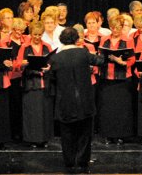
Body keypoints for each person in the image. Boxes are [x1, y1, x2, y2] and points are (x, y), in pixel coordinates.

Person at [49, 27, 104, 174]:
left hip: (65, 101)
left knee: (67, 134)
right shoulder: (83, 53)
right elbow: (100, 61)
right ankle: (82, 163)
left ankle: (69, 162)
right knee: (84, 134)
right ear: (76, 39)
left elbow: (51, 78)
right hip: (84, 101)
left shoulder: (55, 58)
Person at [98, 14, 136, 145]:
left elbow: (132, 59)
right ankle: (109, 135)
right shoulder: (104, 39)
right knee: (108, 108)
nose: (116, 30)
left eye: (119, 27)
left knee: (122, 108)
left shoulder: (128, 40)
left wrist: (121, 62)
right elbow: (101, 56)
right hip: (107, 78)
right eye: (113, 27)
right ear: (110, 27)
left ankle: (121, 135)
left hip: (122, 79)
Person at [16, 21, 55, 148]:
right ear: (30, 34)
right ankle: (32, 139)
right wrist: (23, 63)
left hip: (44, 83)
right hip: (30, 83)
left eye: (39, 34)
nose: (37, 37)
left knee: (44, 111)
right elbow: (17, 64)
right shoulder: (24, 47)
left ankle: (44, 138)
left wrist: (49, 67)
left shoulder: (47, 46)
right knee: (32, 112)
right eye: (35, 34)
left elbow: (51, 62)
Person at [0, 17, 28, 143]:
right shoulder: (5, 42)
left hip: (24, 75)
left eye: (21, 30)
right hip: (12, 77)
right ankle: (13, 133)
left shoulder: (26, 40)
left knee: (23, 105)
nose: (19, 33)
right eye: (17, 30)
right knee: (13, 105)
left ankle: (22, 132)